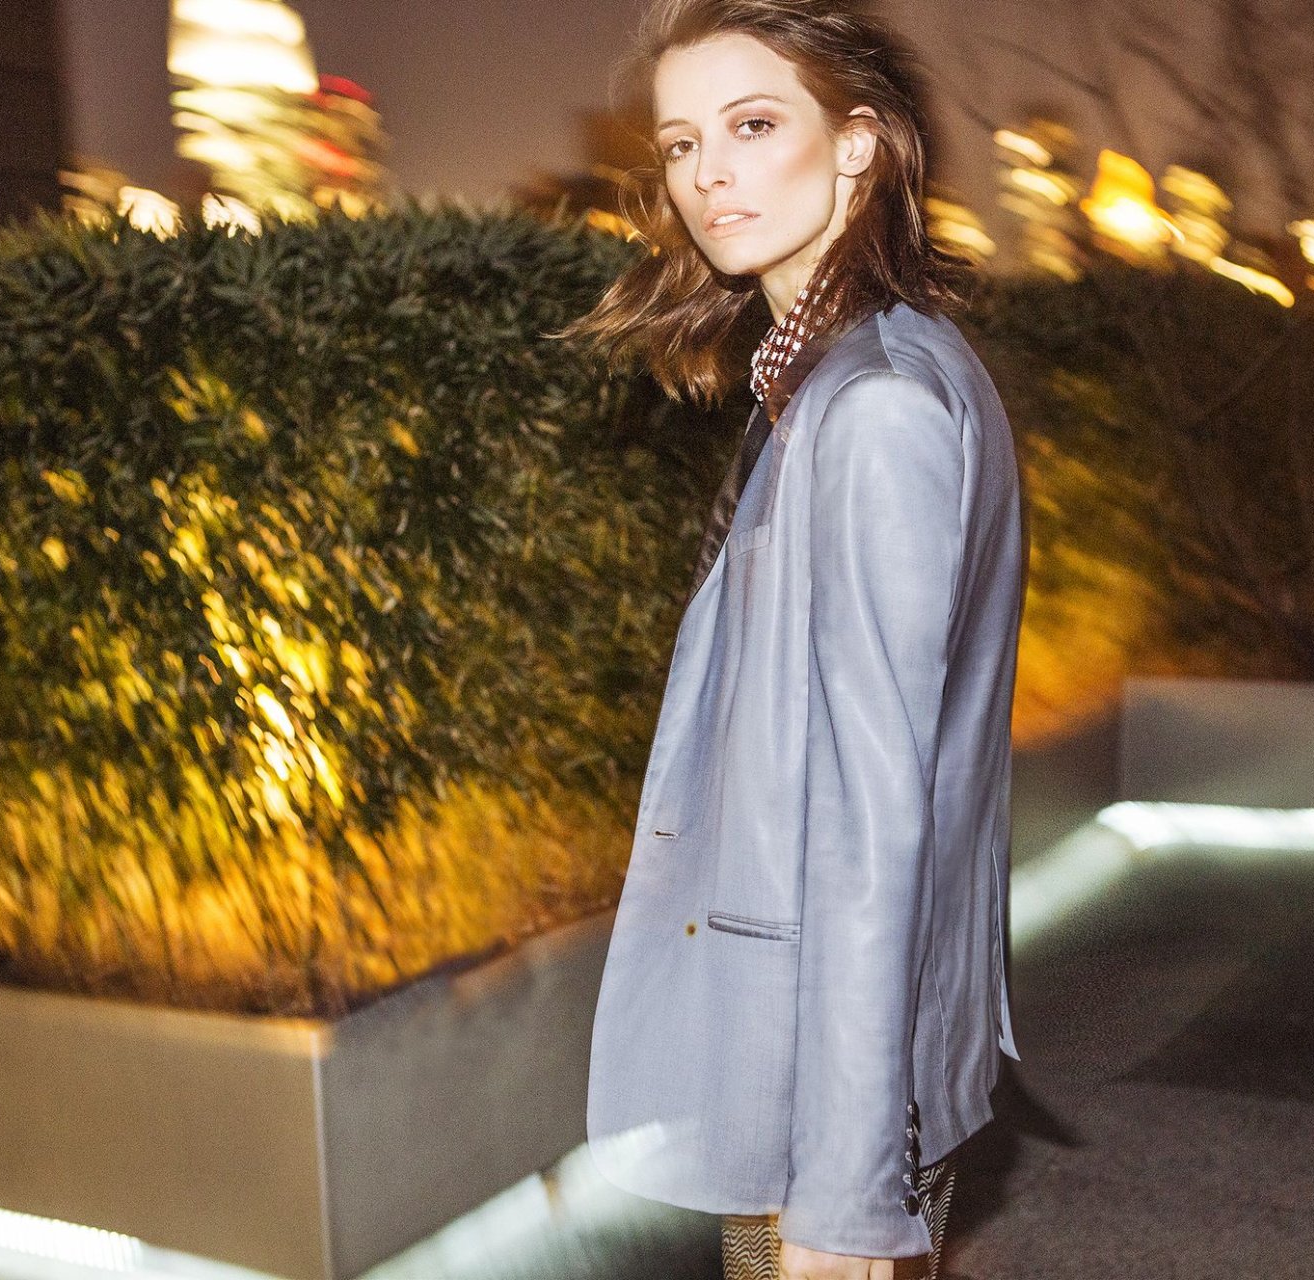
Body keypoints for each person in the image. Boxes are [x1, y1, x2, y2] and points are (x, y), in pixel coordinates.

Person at [552, 2, 1025, 1277]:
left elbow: (876, 817)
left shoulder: (874, 408)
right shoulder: (876, 364)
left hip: (826, 1069)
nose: (709, 172)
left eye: (754, 126)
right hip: (833, 1038)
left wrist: (847, 1183)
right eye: (680, 143)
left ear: (857, 144)